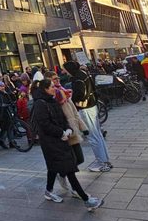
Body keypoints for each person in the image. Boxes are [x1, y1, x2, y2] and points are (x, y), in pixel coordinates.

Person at [31, 81, 103, 211]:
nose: (55, 88)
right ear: (45, 89)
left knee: (53, 168)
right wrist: (61, 132)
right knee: (69, 169)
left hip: (62, 139)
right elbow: (44, 124)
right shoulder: (39, 104)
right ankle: (87, 200)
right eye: (52, 86)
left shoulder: (52, 100)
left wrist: (68, 129)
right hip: (51, 143)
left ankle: (48, 191)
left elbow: (63, 119)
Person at [65, 61, 112, 171]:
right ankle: (105, 160)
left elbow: (80, 94)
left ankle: (102, 163)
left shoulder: (78, 78)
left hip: (85, 108)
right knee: (98, 135)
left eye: (65, 69)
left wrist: (72, 99)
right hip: (92, 105)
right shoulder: (84, 73)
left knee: (92, 136)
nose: (64, 72)